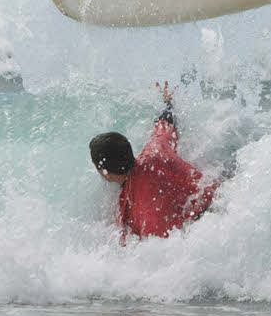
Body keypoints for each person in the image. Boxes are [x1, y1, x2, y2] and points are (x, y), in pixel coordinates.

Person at [89, 81, 221, 240]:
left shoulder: (136, 208)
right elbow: (167, 122)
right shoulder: (155, 149)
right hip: (220, 198)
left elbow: (157, 250)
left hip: (204, 230)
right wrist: (168, 101)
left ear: (105, 172)